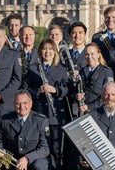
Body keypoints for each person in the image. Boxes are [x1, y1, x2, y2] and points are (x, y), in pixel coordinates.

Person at [29, 39, 69, 169]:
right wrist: (38, 91)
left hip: (56, 116)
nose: (47, 52)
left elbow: (67, 89)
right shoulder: (33, 69)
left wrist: (55, 90)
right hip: (39, 115)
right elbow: (25, 89)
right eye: (44, 49)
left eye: (50, 49)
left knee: (56, 149)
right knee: (41, 147)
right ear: (40, 51)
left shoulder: (61, 69)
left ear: (55, 51)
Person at [0, 90, 50, 170]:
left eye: (24, 103)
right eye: (18, 103)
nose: (21, 106)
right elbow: (0, 142)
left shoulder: (41, 121)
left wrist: (27, 158)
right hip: (13, 160)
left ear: (31, 104)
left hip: (33, 160)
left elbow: (45, 148)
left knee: (40, 165)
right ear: (13, 105)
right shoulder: (6, 120)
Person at [77, 43, 113, 114]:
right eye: (87, 54)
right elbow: (75, 90)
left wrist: (89, 107)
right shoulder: (81, 72)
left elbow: (108, 95)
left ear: (98, 54)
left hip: (99, 112)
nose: (89, 57)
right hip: (83, 112)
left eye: (92, 54)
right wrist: (77, 95)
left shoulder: (107, 72)